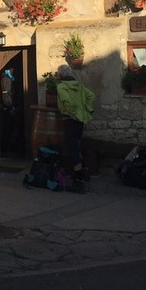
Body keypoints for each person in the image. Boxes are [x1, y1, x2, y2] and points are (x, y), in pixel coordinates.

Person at [55, 64, 95, 193]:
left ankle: (78, 181)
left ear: (61, 75)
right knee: (76, 147)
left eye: (58, 74)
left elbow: (68, 102)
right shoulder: (79, 86)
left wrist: (72, 112)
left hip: (70, 119)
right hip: (80, 121)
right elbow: (91, 97)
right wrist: (85, 111)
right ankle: (84, 174)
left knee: (72, 149)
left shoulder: (61, 86)